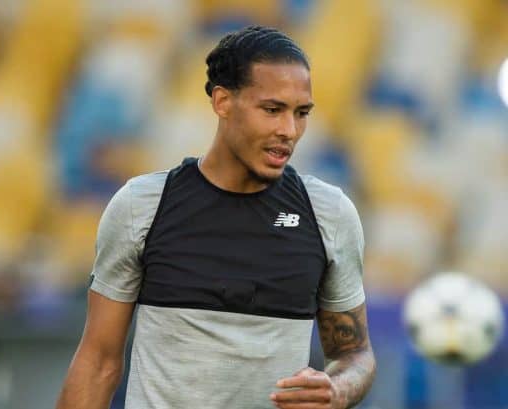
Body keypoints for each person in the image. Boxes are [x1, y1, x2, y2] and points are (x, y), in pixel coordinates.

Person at [56, 25, 376, 409]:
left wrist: (338, 388)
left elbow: (355, 354)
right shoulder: (143, 205)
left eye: (301, 113)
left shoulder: (329, 213)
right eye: (272, 110)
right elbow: (98, 362)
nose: (288, 131)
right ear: (223, 102)